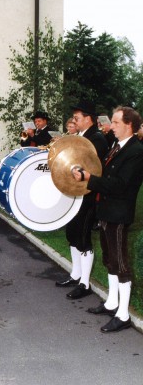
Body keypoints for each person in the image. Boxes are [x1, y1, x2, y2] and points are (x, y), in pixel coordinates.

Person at [72, 106, 143, 332]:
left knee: (120, 264)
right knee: (110, 260)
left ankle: (123, 315)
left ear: (129, 125)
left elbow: (119, 185)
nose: (110, 126)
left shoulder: (136, 151)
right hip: (106, 211)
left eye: (115, 122)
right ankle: (112, 302)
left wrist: (88, 178)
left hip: (118, 214)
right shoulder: (117, 145)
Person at [55, 101, 108, 299]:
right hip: (76, 193)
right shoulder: (83, 136)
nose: (74, 121)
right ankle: (76, 274)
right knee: (72, 234)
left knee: (83, 237)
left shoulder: (97, 139)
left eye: (77, 118)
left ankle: (85, 283)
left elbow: (93, 170)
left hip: (88, 196)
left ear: (88, 118)